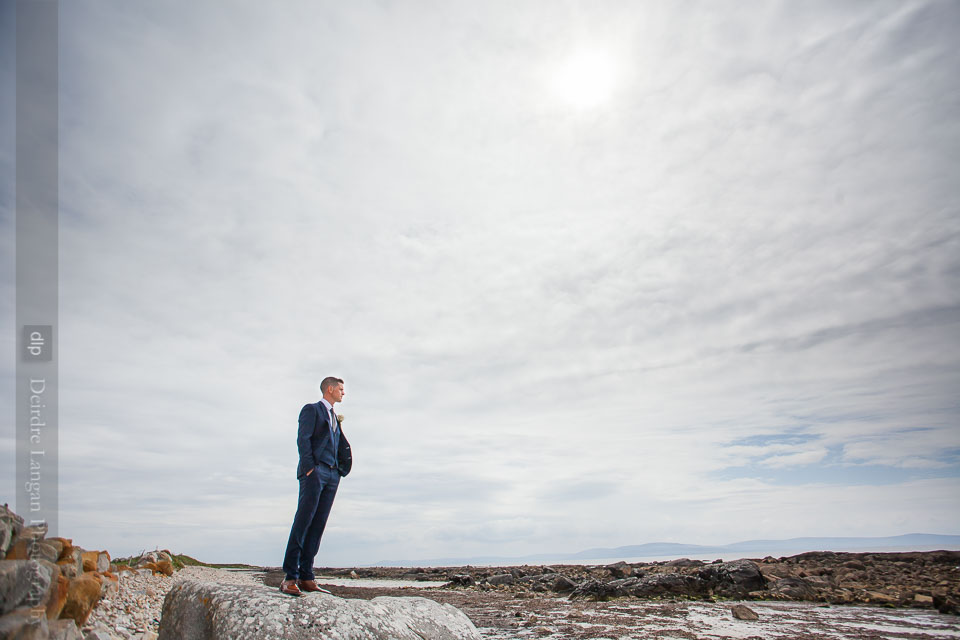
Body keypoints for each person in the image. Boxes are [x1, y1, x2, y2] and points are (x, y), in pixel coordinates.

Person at [280, 376, 352, 596]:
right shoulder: (312, 410)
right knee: (304, 521)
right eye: (340, 389)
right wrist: (310, 468)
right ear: (329, 389)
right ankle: (290, 577)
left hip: (332, 475)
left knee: (318, 524)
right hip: (315, 472)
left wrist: (338, 470)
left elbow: (337, 443)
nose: (343, 393)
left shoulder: (334, 417)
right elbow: (303, 439)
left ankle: (307, 576)